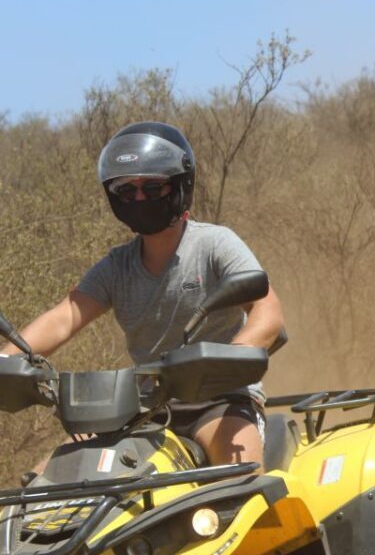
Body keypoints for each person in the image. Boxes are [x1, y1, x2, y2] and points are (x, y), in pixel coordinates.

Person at [0, 121, 284, 469]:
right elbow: (65, 316)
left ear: (179, 186)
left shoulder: (214, 244)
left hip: (221, 401)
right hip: (142, 408)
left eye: (152, 187)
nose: (139, 198)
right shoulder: (117, 267)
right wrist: (6, 359)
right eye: (126, 189)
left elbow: (267, 310)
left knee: (239, 475)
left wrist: (232, 356)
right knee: (49, 479)